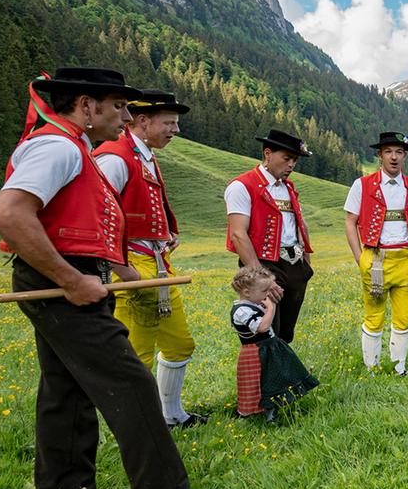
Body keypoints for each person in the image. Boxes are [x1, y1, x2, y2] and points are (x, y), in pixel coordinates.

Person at [0, 67, 216, 489]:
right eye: (118, 106)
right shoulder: (57, 145)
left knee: (66, 385)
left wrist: (101, 271)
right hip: (59, 279)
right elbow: (9, 214)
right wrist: (72, 280)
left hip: (63, 276)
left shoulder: (76, 147)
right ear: (86, 106)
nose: (127, 116)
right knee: (130, 380)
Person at [93, 89, 208, 429]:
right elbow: (97, 218)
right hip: (131, 265)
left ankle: (170, 414)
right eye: (169, 123)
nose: (175, 130)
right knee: (136, 353)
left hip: (157, 263)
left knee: (179, 343)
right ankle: (136, 425)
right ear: (142, 121)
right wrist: (121, 270)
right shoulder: (114, 157)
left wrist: (165, 234)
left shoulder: (143, 156)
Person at [344, 131, 408, 374]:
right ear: (380, 155)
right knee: (374, 316)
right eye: (388, 152)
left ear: (405, 156)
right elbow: (350, 221)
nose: (394, 157)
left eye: (399, 152)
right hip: (376, 259)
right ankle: (371, 369)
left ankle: (398, 368)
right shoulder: (361, 185)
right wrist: (360, 257)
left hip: (407, 259)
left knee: (404, 318)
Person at [224, 129, 314, 343]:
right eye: (287, 158)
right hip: (265, 264)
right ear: (267, 154)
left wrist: (306, 265)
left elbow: (298, 224)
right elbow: (238, 234)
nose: (291, 165)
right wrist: (262, 277)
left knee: (286, 332)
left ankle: (282, 373)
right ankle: (261, 374)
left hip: (294, 264)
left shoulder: (288, 188)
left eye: (295, 160)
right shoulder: (242, 186)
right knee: (264, 330)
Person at [229, 265, 319, 422]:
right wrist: (271, 307)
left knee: (277, 377)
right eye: (264, 291)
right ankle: (258, 411)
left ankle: (277, 404)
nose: (267, 295)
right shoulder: (241, 310)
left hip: (269, 349)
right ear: (247, 292)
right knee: (259, 382)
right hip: (256, 353)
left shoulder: (255, 304)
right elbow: (262, 327)